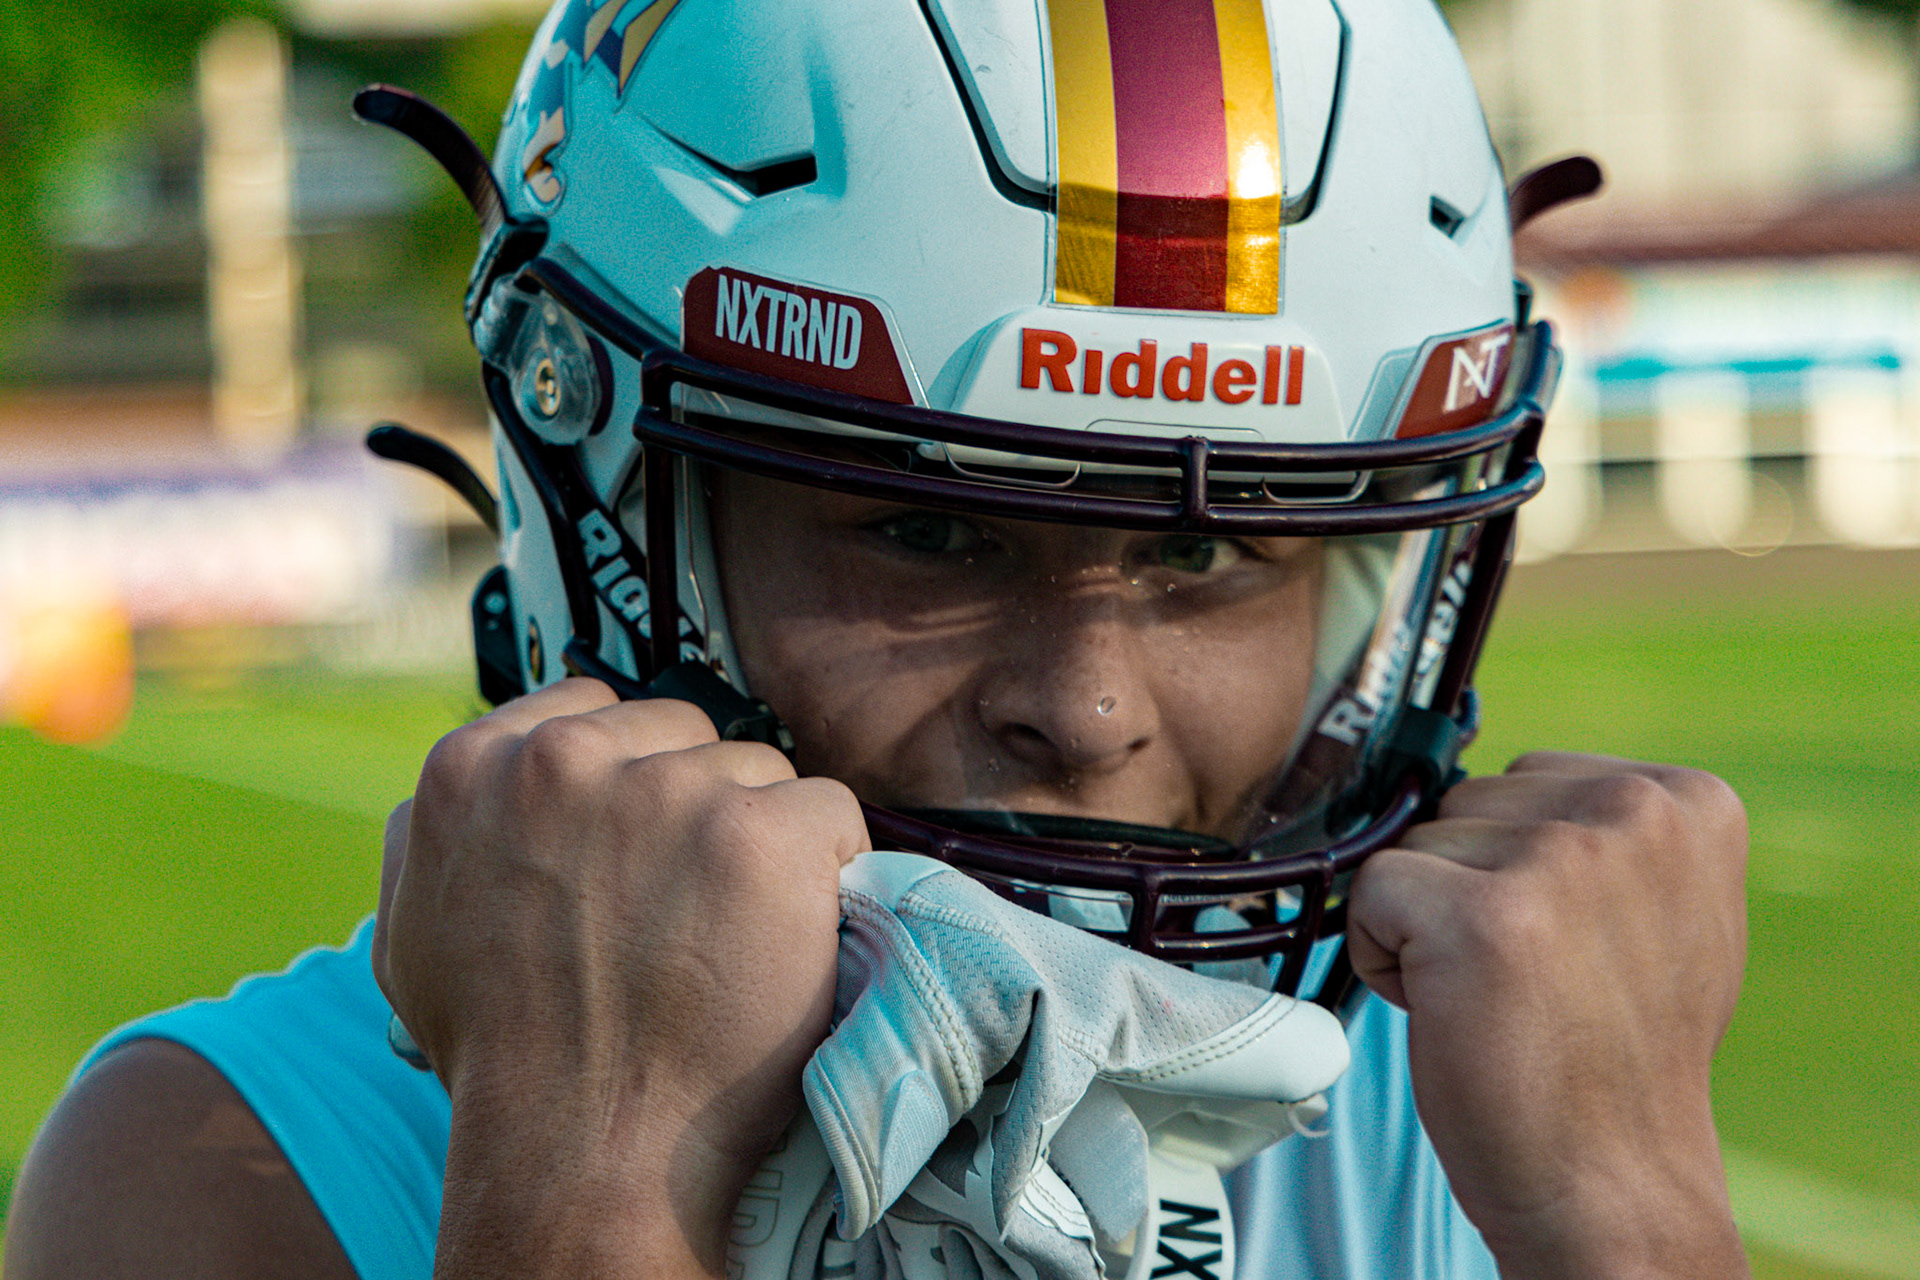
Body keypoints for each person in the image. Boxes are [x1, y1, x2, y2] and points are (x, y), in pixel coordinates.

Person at [4, 0, 1753, 1276]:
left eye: (1207, 550)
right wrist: (590, 1179)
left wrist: (1625, 1214)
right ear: (606, 509)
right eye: (927, 532)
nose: (1087, 708)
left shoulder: (1462, 1094)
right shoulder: (227, 1167)